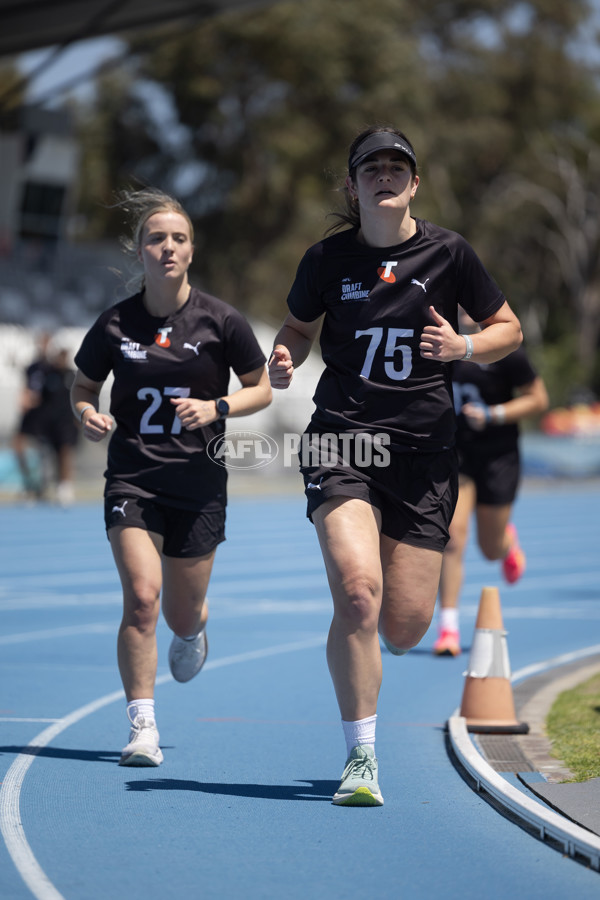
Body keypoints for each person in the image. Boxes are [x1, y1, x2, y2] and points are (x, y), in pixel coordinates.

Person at [268, 126, 523, 806]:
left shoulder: (450, 253)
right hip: (343, 439)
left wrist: (463, 345)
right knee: (358, 591)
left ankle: (382, 633)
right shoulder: (326, 259)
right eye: (370, 168)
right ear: (352, 187)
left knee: (404, 626)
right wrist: (286, 354)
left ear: (414, 183)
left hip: (424, 455)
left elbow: (510, 331)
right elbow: (296, 327)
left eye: (397, 167)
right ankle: (362, 756)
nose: (385, 176)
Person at [70, 188, 271, 767]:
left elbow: (261, 386)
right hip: (132, 480)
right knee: (141, 599)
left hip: (199, 486)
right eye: (156, 238)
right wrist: (88, 414)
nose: (167, 247)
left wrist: (219, 408)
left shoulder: (221, 320)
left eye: (178, 238)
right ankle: (142, 727)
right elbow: (82, 387)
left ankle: (194, 628)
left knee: (182, 614)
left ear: (191, 250)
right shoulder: (115, 324)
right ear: (140, 251)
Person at [433, 310, 549, 657]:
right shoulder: (440, 341)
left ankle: (507, 542)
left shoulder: (505, 347)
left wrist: (494, 414)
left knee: (489, 548)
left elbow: (539, 399)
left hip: (498, 456)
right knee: (452, 538)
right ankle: (448, 629)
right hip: (457, 453)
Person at [12, 331, 51, 500]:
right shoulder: (32, 367)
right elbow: (28, 387)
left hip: (43, 414)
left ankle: (42, 485)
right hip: (29, 414)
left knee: (43, 449)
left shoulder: (52, 368)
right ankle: (28, 482)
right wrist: (25, 398)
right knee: (18, 445)